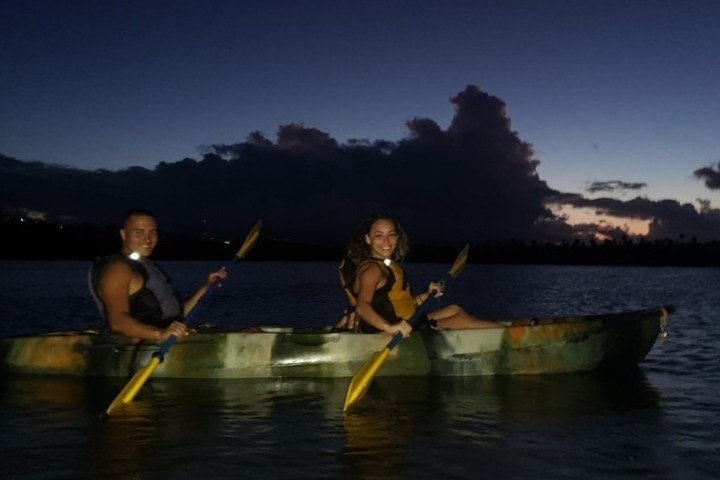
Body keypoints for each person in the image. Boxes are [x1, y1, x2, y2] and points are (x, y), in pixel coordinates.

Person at [337, 213, 501, 336]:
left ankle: (508, 330)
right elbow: (362, 305)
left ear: (397, 237)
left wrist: (426, 295)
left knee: (454, 309)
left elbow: (398, 301)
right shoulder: (372, 270)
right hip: (394, 327)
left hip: (405, 319)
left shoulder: (384, 264)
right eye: (378, 236)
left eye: (391, 234)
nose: (386, 242)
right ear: (368, 239)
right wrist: (390, 328)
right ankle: (509, 334)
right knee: (464, 321)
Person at [89, 208, 227, 341]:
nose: (148, 239)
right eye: (139, 232)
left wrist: (206, 286)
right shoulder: (116, 270)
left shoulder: (145, 266)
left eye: (152, 232)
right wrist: (160, 334)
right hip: (139, 348)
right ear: (124, 235)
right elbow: (117, 323)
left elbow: (175, 316)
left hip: (163, 341)